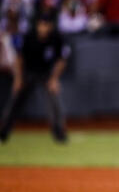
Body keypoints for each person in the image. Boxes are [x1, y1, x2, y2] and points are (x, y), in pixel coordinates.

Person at [0, 13, 69, 143]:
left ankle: (59, 132)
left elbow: (62, 60)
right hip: (28, 71)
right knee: (16, 100)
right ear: (38, 25)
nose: (44, 27)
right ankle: (4, 131)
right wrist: (18, 79)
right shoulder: (29, 37)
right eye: (42, 24)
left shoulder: (55, 37)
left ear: (50, 26)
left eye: (47, 25)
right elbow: (19, 59)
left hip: (46, 73)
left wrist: (54, 79)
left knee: (54, 98)